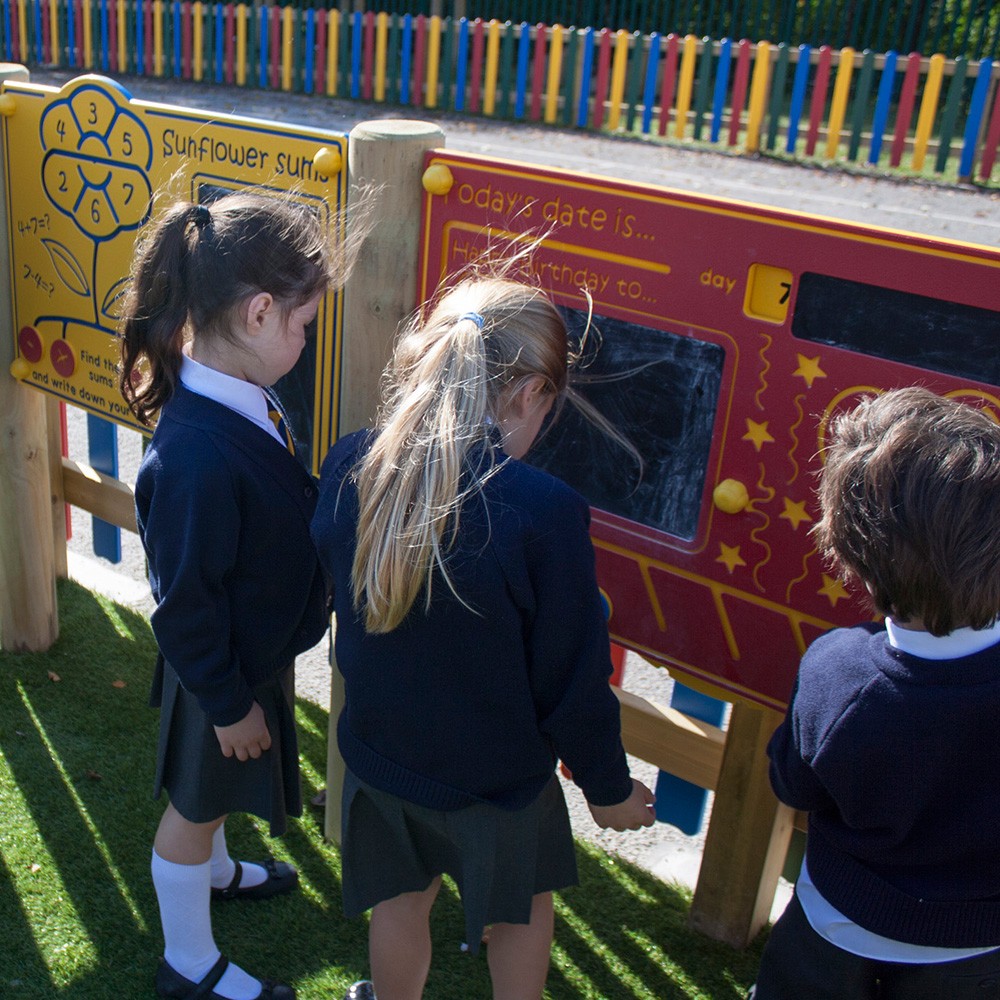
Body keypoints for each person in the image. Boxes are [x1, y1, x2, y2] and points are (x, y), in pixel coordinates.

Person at [311, 272, 657, 1000]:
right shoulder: (543, 511)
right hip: (498, 786)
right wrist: (607, 788)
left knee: (400, 901)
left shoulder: (350, 463)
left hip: (382, 759)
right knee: (521, 910)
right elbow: (572, 678)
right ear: (531, 394)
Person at [119, 191, 349, 1000]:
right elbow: (182, 604)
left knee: (213, 797)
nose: (305, 337)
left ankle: (214, 869)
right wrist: (225, 705)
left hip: (247, 652)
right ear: (258, 313)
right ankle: (187, 962)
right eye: (303, 323)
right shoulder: (194, 459)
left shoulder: (239, 393)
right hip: (217, 673)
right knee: (194, 803)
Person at [749, 386, 1000, 999]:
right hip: (977, 950)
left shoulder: (837, 671)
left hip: (830, 934)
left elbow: (793, 782)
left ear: (852, 553)